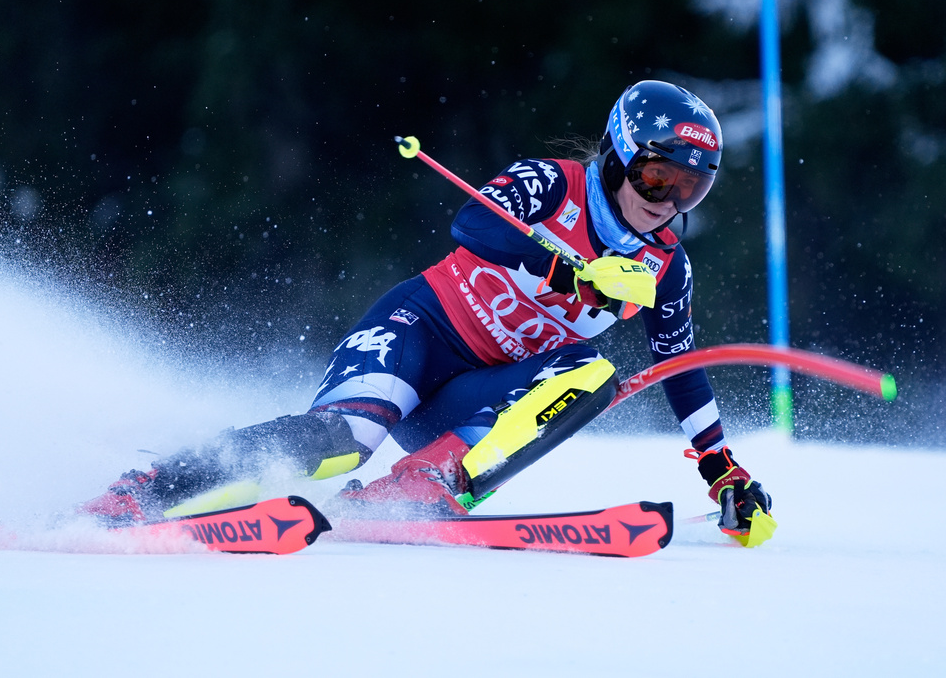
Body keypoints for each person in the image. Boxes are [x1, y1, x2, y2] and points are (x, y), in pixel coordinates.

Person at [81, 80, 773, 537]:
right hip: (419, 332)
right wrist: (569, 269)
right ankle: (147, 486)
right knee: (340, 444)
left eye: (692, 188)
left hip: (472, 400)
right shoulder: (550, 183)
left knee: (592, 373)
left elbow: (678, 366)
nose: (669, 201)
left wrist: (721, 470)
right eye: (660, 175)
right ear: (623, 154)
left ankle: (424, 482)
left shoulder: (666, 268)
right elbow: (473, 225)